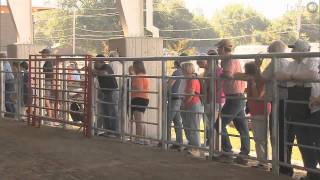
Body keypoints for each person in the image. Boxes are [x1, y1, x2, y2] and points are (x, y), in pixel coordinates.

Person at [275, 39, 320, 178]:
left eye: (294, 49)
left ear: (301, 50)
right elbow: (279, 76)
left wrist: (292, 77)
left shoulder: (313, 59)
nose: (292, 51)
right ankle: (311, 173)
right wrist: (297, 79)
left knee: (316, 141)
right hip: (298, 105)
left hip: (314, 106)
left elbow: (312, 75)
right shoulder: (292, 64)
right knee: (303, 142)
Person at [214, 39, 249, 164]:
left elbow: (228, 75)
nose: (218, 50)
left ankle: (227, 152)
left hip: (234, 97)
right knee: (242, 127)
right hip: (236, 96)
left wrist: (220, 75)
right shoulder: (233, 58)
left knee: (219, 124)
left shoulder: (228, 59)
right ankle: (244, 154)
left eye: (219, 48)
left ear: (223, 48)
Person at [260, 40, 291, 175]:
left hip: (278, 100)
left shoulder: (275, 62)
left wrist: (257, 66)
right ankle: (283, 165)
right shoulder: (288, 62)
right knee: (284, 133)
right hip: (285, 100)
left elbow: (263, 78)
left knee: (277, 132)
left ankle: (280, 165)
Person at [245, 62, 271, 169]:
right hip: (255, 111)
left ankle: (264, 162)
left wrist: (253, 84)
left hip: (261, 111)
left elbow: (257, 96)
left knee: (262, 138)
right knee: (257, 137)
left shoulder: (260, 81)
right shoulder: (251, 80)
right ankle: (261, 161)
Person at [197, 49, 225, 147]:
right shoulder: (218, 70)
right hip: (215, 100)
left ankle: (214, 146)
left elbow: (209, 87)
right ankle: (214, 145)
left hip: (214, 100)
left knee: (213, 124)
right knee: (212, 124)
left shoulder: (214, 71)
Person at [181, 62, 202, 157]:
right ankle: (192, 145)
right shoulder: (189, 79)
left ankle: (196, 148)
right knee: (188, 126)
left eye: (183, 70)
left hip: (193, 104)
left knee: (193, 126)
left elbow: (191, 94)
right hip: (189, 104)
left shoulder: (192, 79)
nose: (182, 71)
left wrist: (185, 103)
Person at [94, 55, 119, 135]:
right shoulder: (99, 68)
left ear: (101, 61)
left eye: (96, 61)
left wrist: (93, 71)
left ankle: (114, 132)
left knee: (112, 112)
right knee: (106, 112)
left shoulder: (106, 66)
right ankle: (108, 131)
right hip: (105, 92)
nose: (95, 62)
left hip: (112, 91)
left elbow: (104, 73)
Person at [303, 80, 320, 180]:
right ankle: (312, 174)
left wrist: (316, 99)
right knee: (314, 144)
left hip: (316, 112)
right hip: (313, 112)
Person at [131, 61, 150, 145]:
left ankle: (139, 138)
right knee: (141, 120)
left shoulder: (138, 77)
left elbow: (139, 88)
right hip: (144, 98)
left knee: (138, 120)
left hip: (138, 98)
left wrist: (131, 88)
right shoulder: (145, 76)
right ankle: (143, 138)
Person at [167, 59, 184, 149]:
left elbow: (170, 84)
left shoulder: (177, 72)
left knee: (167, 119)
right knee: (177, 121)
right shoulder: (184, 72)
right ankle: (179, 142)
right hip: (180, 99)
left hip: (174, 98)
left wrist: (166, 89)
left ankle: (166, 140)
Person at [1, 53, 16, 118]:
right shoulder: (6, 64)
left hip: (9, 82)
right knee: (9, 99)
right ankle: (12, 113)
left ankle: (10, 114)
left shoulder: (5, 64)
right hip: (8, 82)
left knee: (7, 99)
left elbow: (2, 72)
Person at [41, 48, 54, 120]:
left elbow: (47, 72)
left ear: (46, 54)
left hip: (47, 81)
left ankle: (49, 117)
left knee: (46, 99)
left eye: (43, 53)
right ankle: (50, 115)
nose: (42, 55)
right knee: (46, 99)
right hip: (47, 81)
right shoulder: (48, 61)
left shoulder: (48, 62)